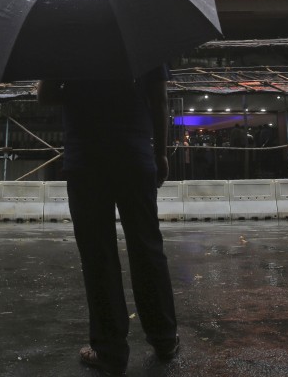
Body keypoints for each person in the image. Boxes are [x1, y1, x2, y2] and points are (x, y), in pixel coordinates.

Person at [38, 68, 179, 377]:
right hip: (135, 156)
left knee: (97, 255)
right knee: (147, 248)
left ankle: (110, 352)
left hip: (87, 160)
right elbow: (160, 100)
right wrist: (161, 154)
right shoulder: (143, 36)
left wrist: (80, 93)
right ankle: (165, 339)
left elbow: (45, 95)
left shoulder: (66, 38)